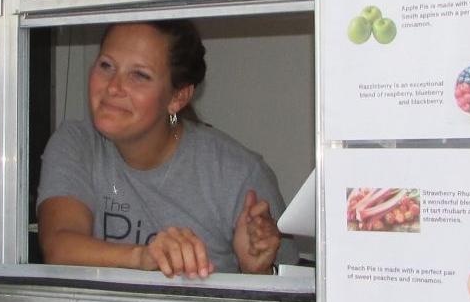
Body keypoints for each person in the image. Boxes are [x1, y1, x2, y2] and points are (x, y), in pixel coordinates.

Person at [37, 20, 292, 278]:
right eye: (106, 66)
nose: (113, 87)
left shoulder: (239, 175)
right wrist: (145, 256)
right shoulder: (76, 143)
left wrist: (257, 271)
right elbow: (59, 247)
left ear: (177, 97)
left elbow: (292, 299)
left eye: (139, 75)